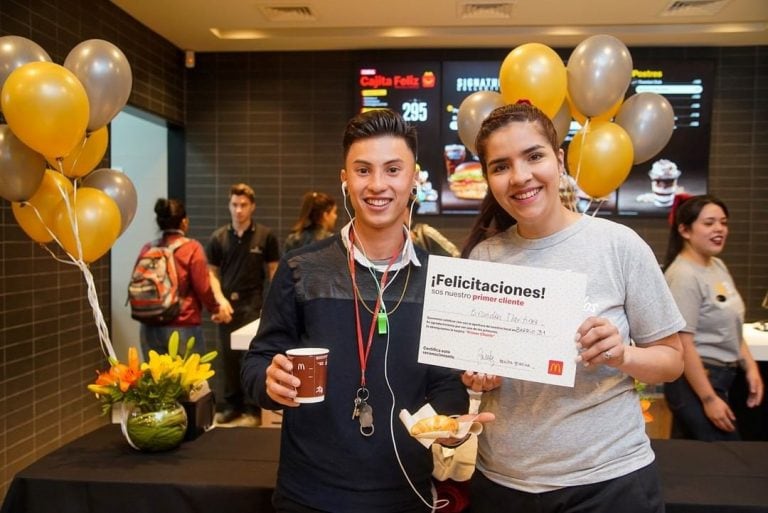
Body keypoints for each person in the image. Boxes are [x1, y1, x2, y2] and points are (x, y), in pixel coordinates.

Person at [241, 109, 491, 513]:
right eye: (362, 170)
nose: (377, 185)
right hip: (308, 495)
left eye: (393, 169)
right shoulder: (300, 269)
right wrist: (268, 382)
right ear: (345, 179)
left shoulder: (437, 279)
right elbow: (256, 363)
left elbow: (445, 382)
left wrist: (449, 425)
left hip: (404, 493)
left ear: (414, 180)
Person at [460, 103, 685, 513]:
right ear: (489, 179)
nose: (521, 177)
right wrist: (479, 377)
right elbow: (481, 369)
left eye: (534, 156)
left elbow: (672, 361)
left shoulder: (619, 246)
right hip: (504, 481)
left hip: (608, 482)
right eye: (501, 166)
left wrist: (622, 354)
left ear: (559, 159)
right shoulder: (485, 259)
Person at [663, 194, 764, 441]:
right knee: (726, 459)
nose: (719, 229)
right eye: (709, 223)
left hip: (725, 376)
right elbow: (683, 345)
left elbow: (732, 326)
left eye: (723, 222)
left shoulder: (717, 266)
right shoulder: (684, 275)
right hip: (697, 381)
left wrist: (751, 367)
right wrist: (709, 399)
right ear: (685, 230)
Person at [207, 183, 281, 424]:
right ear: (229, 206)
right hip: (228, 305)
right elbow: (211, 274)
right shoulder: (218, 238)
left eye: (243, 205)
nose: (239, 210)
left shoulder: (265, 236)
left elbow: (274, 272)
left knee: (253, 355)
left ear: (252, 207)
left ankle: (252, 407)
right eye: (235, 205)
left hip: (254, 304)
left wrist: (273, 306)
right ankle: (232, 405)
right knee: (228, 357)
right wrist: (219, 301)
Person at [136, 198, 230, 357]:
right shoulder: (191, 248)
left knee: (156, 380)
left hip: (149, 327)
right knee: (191, 381)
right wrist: (216, 309)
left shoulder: (148, 248)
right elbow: (203, 287)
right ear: (184, 222)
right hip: (183, 325)